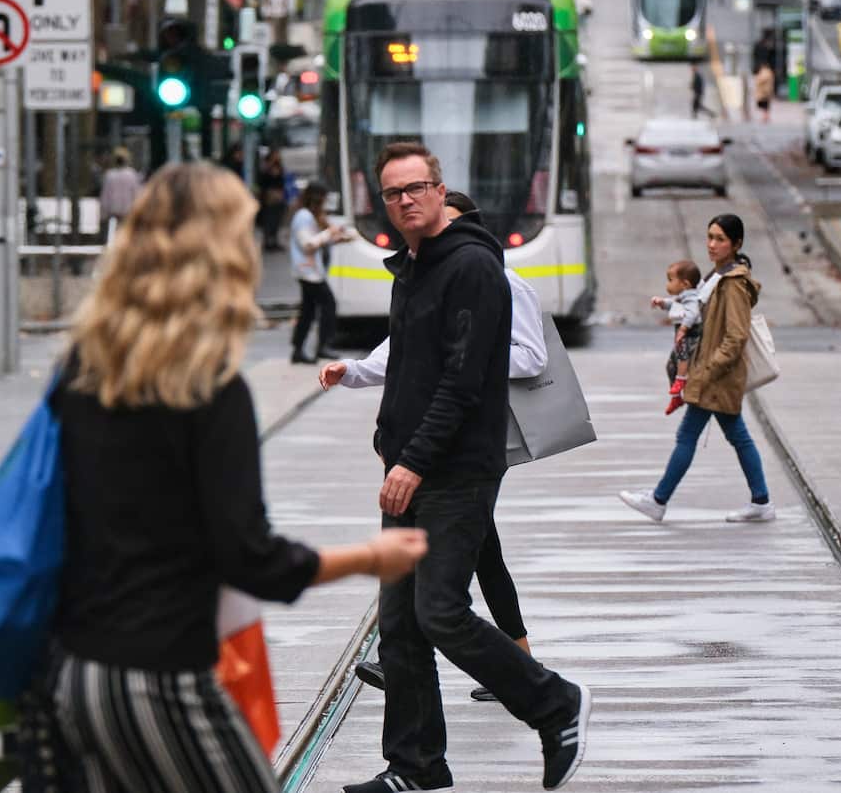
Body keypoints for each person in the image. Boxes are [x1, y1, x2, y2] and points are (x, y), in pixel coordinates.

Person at [35, 163, 428, 793]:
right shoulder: (208, 388)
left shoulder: (83, 371)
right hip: (162, 677)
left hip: (72, 673)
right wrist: (368, 557)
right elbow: (248, 556)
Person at [341, 142, 590, 793]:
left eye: (416, 188)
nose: (405, 201)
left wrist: (415, 461)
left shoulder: (473, 266)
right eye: (393, 193)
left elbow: (463, 381)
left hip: (454, 471)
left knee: (441, 611)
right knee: (398, 628)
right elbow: (409, 367)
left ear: (439, 188)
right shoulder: (413, 268)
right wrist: (384, 435)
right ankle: (415, 767)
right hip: (408, 464)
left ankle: (554, 703)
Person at [318, 190, 547, 702]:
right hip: (428, 444)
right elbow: (397, 353)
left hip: (474, 441)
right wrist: (352, 371)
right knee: (480, 554)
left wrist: (468, 360)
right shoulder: (425, 282)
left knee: (445, 568)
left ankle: (512, 674)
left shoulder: (503, 282)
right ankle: (515, 662)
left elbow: (531, 358)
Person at [619, 214, 775, 524]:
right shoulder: (716, 277)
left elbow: (736, 336)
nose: (712, 245)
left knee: (688, 434)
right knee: (736, 436)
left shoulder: (732, 285)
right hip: (715, 374)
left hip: (717, 375)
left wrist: (706, 370)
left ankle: (659, 500)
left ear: (736, 244)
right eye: (710, 237)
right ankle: (760, 501)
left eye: (720, 239)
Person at [290, 181, 352, 364]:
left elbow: (317, 241)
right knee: (328, 304)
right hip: (308, 272)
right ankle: (323, 346)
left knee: (308, 311)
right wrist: (329, 232)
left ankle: (298, 350)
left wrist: (338, 238)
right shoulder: (303, 216)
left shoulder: (307, 215)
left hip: (310, 271)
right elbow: (308, 244)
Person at [650, 259, 703, 415]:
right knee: (671, 365)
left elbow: (692, 313)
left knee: (682, 357)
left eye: (671, 280)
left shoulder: (692, 297)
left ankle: (680, 380)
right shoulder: (682, 296)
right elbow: (672, 303)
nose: (668, 285)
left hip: (690, 336)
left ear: (685, 284)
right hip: (683, 337)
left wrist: (684, 329)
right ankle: (676, 396)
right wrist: (661, 302)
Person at [97, 147, 142, 233]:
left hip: (114, 210)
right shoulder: (131, 174)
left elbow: (106, 195)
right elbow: (136, 193)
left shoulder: (110, 175)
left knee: (115, 231)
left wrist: (103, 213)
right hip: (129, 209)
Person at [256, 150, 286, 251]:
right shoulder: (265, 169)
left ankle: (274, 241)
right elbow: (262, 183)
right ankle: (267, 242)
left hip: (278, 198)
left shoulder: (279, 168)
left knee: (276, 220)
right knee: (268, 220)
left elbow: (282, 181)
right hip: (268, 199)